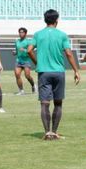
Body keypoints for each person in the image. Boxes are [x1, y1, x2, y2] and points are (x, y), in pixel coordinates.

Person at [27, 9, 80, 140]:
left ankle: (47, 132)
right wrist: (76, 70)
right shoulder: (62, 35)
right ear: (57, 20)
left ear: (45, 20)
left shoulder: (38, 34)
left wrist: (38, 63)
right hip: (58, 72)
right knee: (58, 103)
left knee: (44, 103)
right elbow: (68, 53)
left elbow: (29, 50)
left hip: (44, 72)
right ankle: (54, 132)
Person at [13, 27, 36, 95]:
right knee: (17, 74)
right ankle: (21, 90)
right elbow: (17, 51)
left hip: (26, 61)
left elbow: (31, 51)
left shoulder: (29, 42)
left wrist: (25, 50)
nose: (20, 33)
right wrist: (15, 52)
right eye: (19, 32)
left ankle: (33, 85)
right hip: (18, 60)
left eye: (22, 32)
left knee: (27, 76)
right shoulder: (17, 41)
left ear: (25, 33)